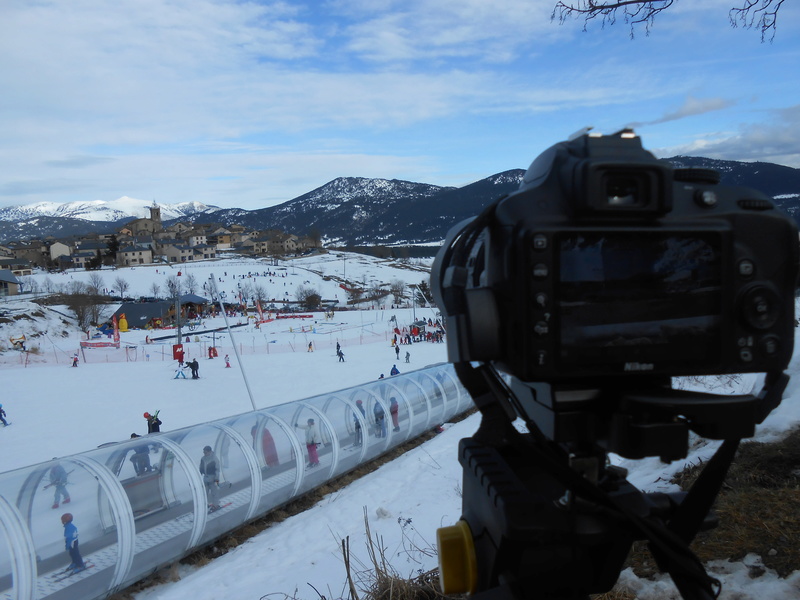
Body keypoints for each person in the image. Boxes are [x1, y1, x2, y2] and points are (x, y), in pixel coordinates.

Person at [199, 445, 221, 511]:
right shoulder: (203, 458)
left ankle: (215, 505)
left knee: (214, 493)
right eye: (204, 452)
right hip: (205, 478)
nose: (204, 454)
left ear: (210, 451)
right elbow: (201, 468)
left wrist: (216, 479)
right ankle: (205, 504)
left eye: (205, 452)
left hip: (213, 478)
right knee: (204, 493)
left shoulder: (214, 459)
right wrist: (199, 474)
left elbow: (217, 469)